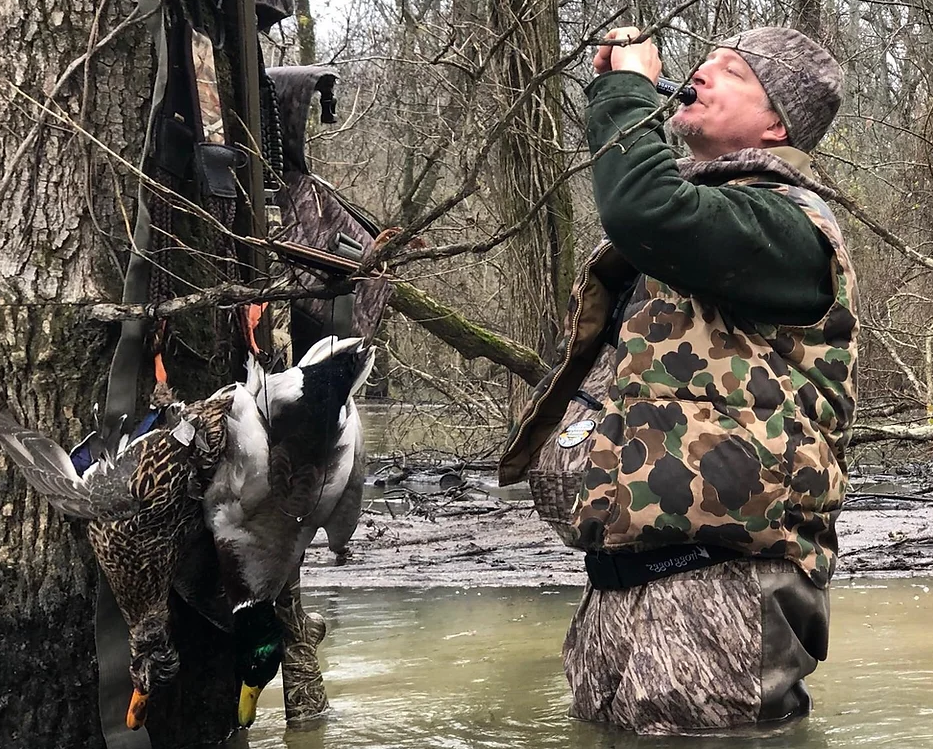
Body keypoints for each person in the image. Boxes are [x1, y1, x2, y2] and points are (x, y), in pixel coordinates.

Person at [498, 26, 858, 734]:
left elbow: (644, 207)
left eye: (730, 72)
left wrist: (625, 92)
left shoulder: (784, 227)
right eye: (703, 63)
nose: (701, 74)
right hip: (620, 591)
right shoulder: (691, 241)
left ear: (775, 124)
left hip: (721, 596)